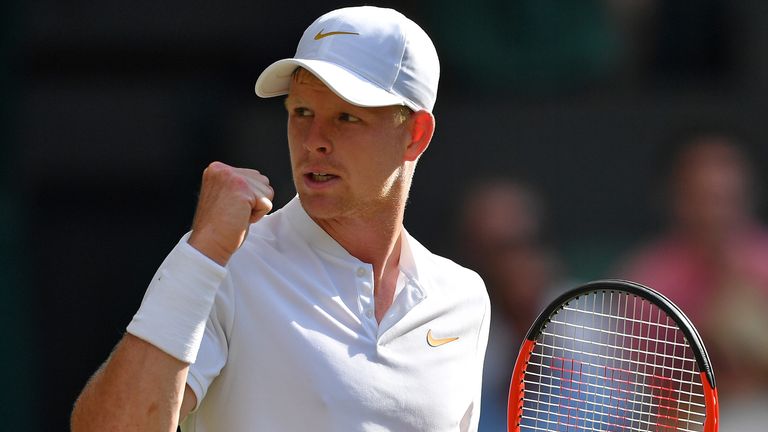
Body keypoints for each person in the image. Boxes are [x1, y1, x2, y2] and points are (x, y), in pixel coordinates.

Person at [70, 6, 490, 431]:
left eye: (346, 117)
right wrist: (204, 252)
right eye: (302, 112)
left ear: (415, 135)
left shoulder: (463, 300)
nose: (314, 141)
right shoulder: (223, 263)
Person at [616, 130, 768, 399]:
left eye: (726, 199)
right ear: (675, 199)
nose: (715, 215)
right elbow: (648, 392)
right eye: (703, 199)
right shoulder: (647, 282)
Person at [454, 178, 570, 431]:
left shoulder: (588, 319)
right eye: (494, 250)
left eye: (521, 243)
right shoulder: (453, 332)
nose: (512, 263)